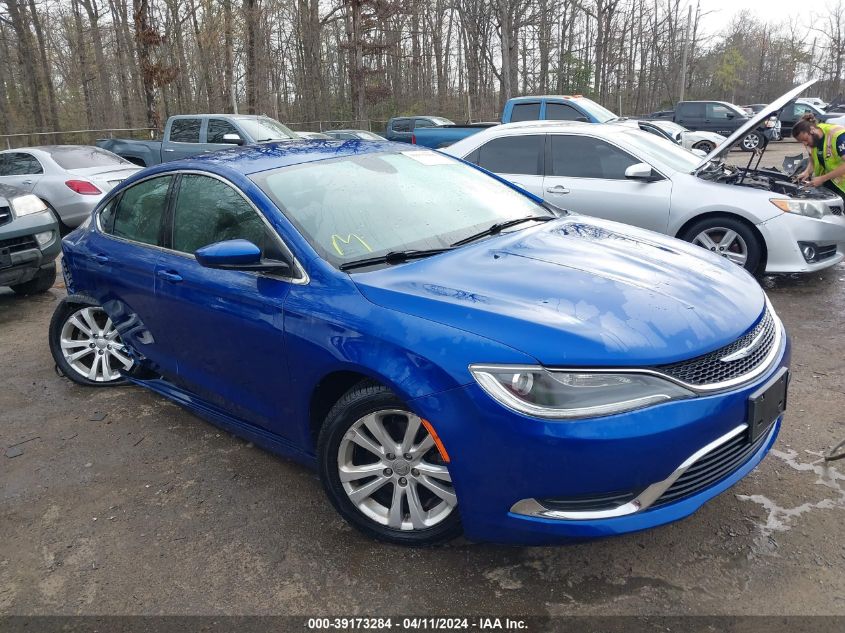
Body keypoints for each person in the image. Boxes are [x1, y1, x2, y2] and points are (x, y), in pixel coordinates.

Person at [792, 112, 845, 202]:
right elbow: (813, 158)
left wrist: (822, 178)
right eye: (802, 141)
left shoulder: (838, 136)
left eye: (805, 139)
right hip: (831, 183)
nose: (805, 144)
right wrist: (807, 172)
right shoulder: (815, 138)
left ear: (812, 130)